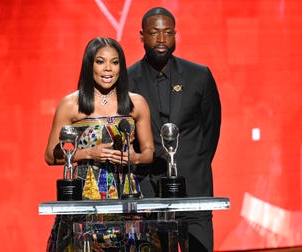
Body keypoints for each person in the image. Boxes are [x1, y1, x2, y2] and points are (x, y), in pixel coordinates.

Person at [44, 37, 154, 251]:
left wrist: (135, 158)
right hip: (84, 194)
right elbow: (50, 155)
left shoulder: (136, 103)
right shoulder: (71, 104)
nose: (108, 69)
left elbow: (149, 151)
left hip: (126, 193)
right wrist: (89, 153)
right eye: (100, 62)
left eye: (115, 63)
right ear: (89, 65)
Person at [127, 7, 221, 252]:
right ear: (142, 36)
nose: (161, 40)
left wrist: (192, 162)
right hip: (148, 190)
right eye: (154, 33)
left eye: (168, 33)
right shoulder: (127, 80)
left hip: (194, 189)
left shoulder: (199, 75)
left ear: (175, 34)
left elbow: (211, 129)